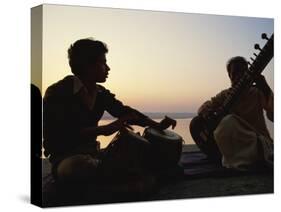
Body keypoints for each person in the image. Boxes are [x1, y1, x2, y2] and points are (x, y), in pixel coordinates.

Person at [43, 38, 177, 184]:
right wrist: (105, 129)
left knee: (142, 152)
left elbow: (125, 112)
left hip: (94, 154)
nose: (108, 68)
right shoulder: (57, 92)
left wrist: (157, 125)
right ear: (88, 65)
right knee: (79, 167)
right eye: (103, 62)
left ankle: (111, 175)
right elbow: (61, 133)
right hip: (66, 158)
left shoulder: (100, 93)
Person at [190, 56, 273, 170]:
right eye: (235, 72)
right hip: (234, 145)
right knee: (196, 122)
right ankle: (227, 155)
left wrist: (265, 88)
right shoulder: (225, 95)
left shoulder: (257, 92)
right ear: (229, 75)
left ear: (248, 73)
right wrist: (206, 112)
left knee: (228, 121)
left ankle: (249, 156)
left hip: (255, 141)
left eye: (242, 72)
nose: (238, 75)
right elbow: (204, 106)